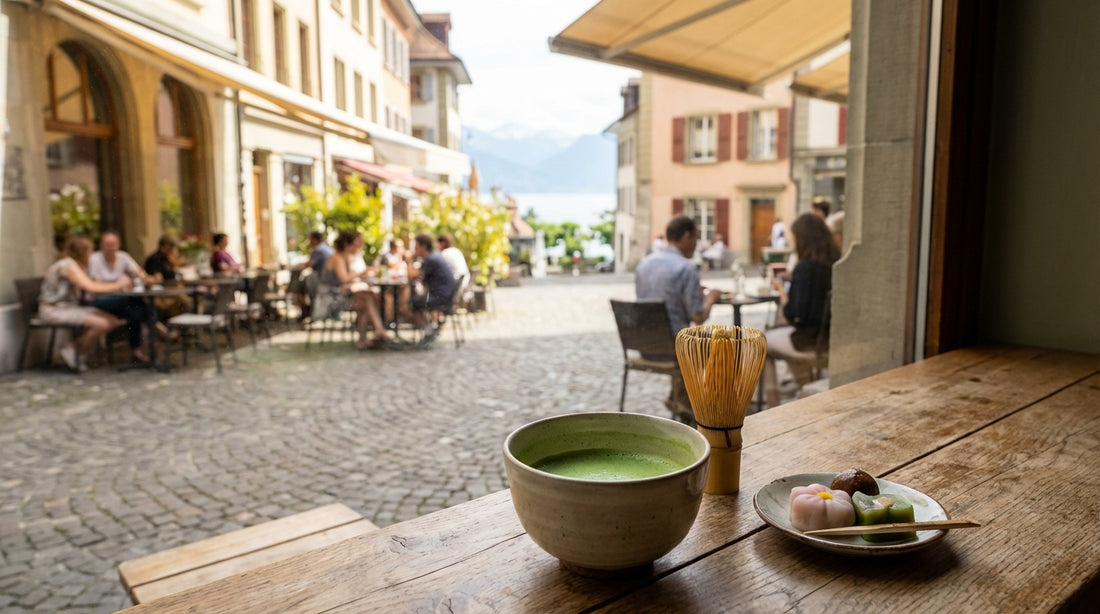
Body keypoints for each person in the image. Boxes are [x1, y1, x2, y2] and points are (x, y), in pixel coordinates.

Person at [635, 215, 722, 424]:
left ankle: (680, 399)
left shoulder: (643, 264)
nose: (697, 244)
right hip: (675, 348)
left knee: (690, 342)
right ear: (686, 236)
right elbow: (698, 317)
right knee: (721, 346)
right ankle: (708, 410)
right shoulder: (686, 268)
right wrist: (711, 298)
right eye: (696, 238)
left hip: (644, 344)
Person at [763, 213, 840, 408]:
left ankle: (772, 405)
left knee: (760, 343)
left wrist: (781, 291)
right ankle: (804, 388)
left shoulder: (804, 268)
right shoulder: (836, 264)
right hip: (832, 342)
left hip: (809, 344)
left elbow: (794, 316)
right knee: (782, 337)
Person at [38, 236, 133, 372]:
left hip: (68, 307)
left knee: (112, 321)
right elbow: (90, 287)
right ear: (83, 252)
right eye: (89, 251)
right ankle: (76, 352)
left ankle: (75, 350)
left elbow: (92, 284)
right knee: (103, 323)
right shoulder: (67, 265)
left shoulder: (74, 265)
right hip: (54, 309)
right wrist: (119, 284)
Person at [86, 231, 158, 362]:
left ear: (118, 245)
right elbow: (96, 285)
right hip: (100, 300)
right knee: (135, 304)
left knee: (135, 311)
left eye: (113, 244)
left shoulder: (123, 257)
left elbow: (139, 273)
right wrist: (120, 285)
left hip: (123, 301)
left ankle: (140, 347)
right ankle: (156, 330)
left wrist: (148, 279)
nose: (110, 248)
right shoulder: (94, 259)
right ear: (101, 245)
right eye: (107, 244)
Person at [312, 230, 391, 349]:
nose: (359, 245)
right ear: (347, 245)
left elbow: (348, 282)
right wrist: (361, 273)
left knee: (368, 297)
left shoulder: (345, 257)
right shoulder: (337, 258)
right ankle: (377, 330)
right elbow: (344, 279)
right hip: (330, 300)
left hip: (338, 295)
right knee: (368, 298)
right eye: (357, 243)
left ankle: (367, 337)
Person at [401, 233, 456, 343]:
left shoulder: (431, 259)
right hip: (447, 294)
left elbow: (412, 276)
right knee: (416, 301)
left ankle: (428, 330)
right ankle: (429, 329)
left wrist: (409, 260)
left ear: (423, 246)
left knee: (411, 304)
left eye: (416, 248)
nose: (415, 250)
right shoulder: (434, 255)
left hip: (441, 297)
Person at [144, 235, 193, 318]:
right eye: (172, 247)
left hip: (171, 290)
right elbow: (157, 278)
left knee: (191, 297)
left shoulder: (166, 258)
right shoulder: (155, 259)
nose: (173, 250)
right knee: (187, 303)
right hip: (163, 293)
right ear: (165, 246)